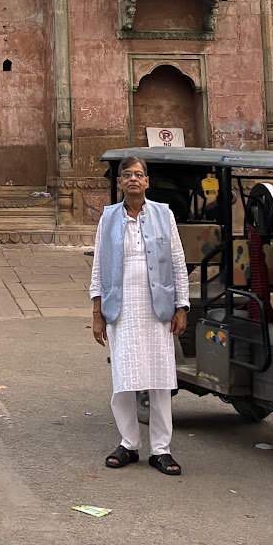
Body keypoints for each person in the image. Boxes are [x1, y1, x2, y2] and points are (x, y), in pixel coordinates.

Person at [89, 155, 189, 477]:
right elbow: (98, 268)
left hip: (157, 307)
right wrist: (97, 313)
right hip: (122, 308)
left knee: (160, 380)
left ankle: (161, 450)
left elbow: (177, 262)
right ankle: (129, 443)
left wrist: (182, 307)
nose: (133, 179)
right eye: (127, 175)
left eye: (139, 175)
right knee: (124, 378)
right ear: (119, 183)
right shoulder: (108, 218)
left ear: (147, 182)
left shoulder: (164, 214)